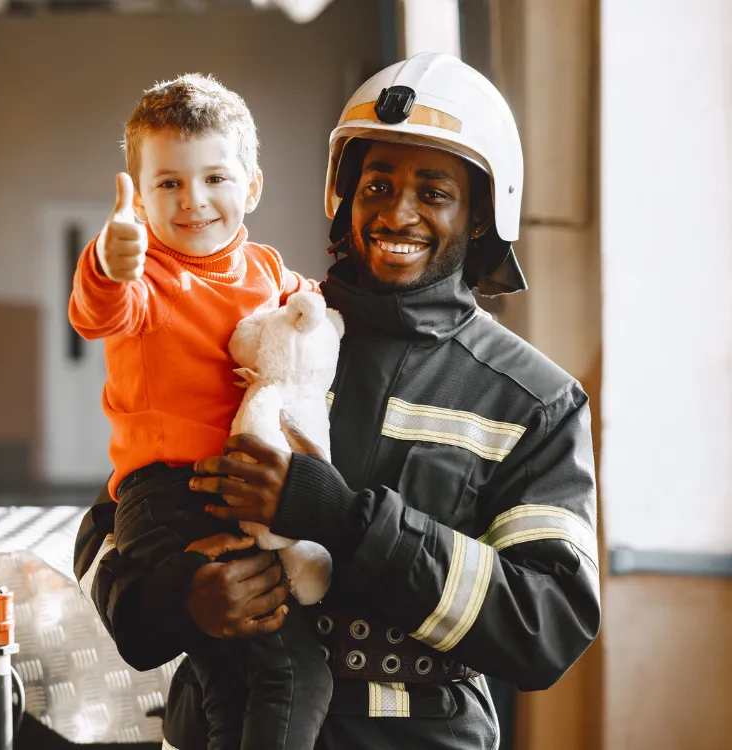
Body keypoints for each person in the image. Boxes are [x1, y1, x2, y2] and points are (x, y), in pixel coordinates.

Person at [75, 53, 601, 750]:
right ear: (344, 196)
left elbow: (547, 626)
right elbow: (115, 517)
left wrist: (346, 522)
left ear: (480, 216)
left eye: (434, 193)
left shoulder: (532, 400)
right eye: (376, 184)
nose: (398, 212)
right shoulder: (273, 330)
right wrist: (172, 602)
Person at [67, 74, 332, 750]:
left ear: (253, 186)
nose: (194, 202)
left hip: (237, 492)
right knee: (294, 674)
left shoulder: (268, 271)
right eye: (168, 184)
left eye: (214, 178)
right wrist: (108, 259)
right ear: (141, 194)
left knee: (233, 685)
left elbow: (328, 318)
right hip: (170, 498)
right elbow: (100, 310)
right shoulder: (146, 278)